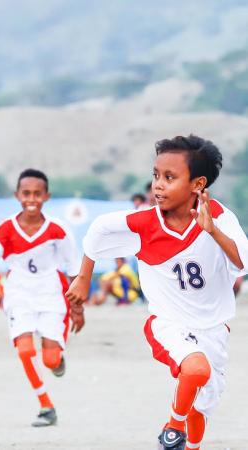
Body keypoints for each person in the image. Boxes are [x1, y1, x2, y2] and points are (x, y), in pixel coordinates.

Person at [66, 135, 248, 450]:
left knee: (203, 403)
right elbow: (98, 230)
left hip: (214, 326)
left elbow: (242, 262)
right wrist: (83, 278)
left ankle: (190, 444)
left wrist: (213, 232)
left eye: (169, 177)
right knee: (195, 369)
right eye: (155, 176)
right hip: (168, 322)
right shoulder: (144, 224)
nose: (158, 185)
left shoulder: (219, 217)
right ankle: (172, 429)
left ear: (197, 184)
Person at [0, 168, 84, 427]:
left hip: (51, 292)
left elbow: (73, 267)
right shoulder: (5, 229)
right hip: (19, 291)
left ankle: (57, 359)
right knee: (24, 350)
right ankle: (46, 406)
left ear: (46, 196)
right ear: (17, 195)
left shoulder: (58, 229)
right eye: (26, 193)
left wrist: (77, 308)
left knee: (49, 360)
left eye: (37, 193)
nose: (32, 199)